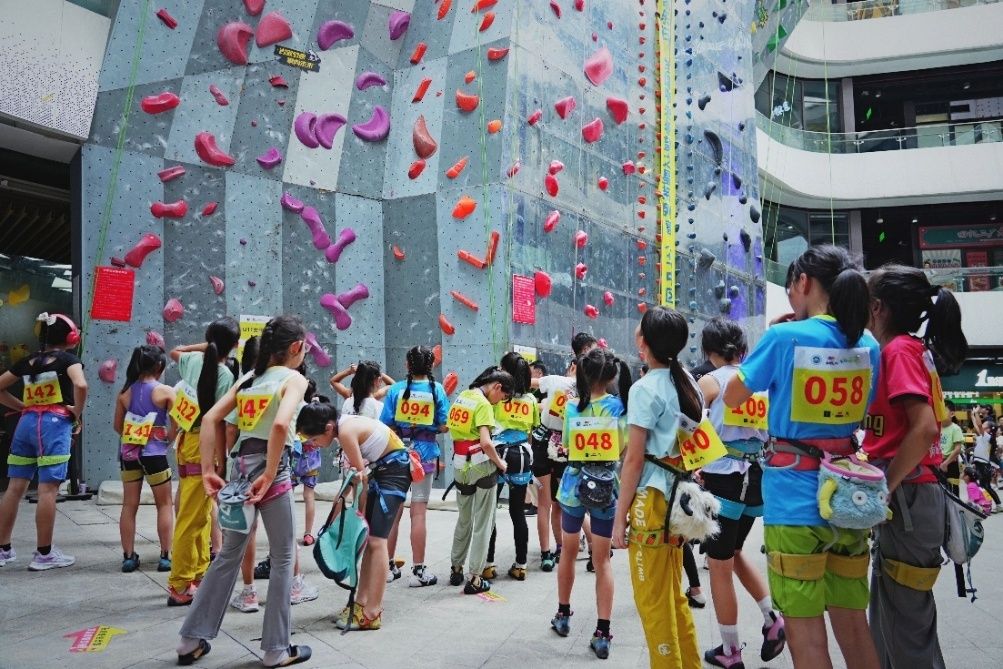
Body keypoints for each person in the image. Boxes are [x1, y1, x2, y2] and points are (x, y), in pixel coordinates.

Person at [723, 245, 881, 669]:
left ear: (804, 282)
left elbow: (733, 396)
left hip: (794, 500)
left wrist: (772, 346)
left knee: (806, 634)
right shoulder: (868, 344)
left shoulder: (783, 338)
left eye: (792, 287)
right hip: (849, 498)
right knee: (854, 624)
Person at [176, 315, 312, 667]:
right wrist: (269, 474)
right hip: (272, 473)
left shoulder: (249, 378)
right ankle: (276, 650)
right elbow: (281, 425)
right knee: (283, 557)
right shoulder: (294, 379)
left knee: (227, 556)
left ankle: (190, 640)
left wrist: (209, 470)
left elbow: (210, 418)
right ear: (296, 347)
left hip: (239, 473)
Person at [864, 264, 968, 669]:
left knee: (905, 628)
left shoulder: (898, 351)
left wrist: (884, 486)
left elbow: (924, 428)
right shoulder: (910, 349)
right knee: (894, 619)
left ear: (877, 307)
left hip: (907, 498)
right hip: (911, 496)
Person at [612, 306, 704, 668]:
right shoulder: (688, 382)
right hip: (679, 497)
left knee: (653, 602)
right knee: (672, 596)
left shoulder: (644, 388)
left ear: (644, 344)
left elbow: (634, 460)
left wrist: (619, 518)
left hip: (651, 501)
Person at [696, 318, 786, 668]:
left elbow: (688, 422)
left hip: (724, 482)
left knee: (719, 566)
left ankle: (730, 650)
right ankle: (772, 619)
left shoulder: (711, 380)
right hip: (757, 479)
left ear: (709, 350)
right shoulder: (759, 383)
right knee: (733, 553)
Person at [550, 348, 631, 660]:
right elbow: (624, 449)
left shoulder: (572, 407)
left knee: (568, 553)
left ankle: (563, 615)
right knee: (603, 561)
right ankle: (602, 632)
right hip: (607, 488)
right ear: (611, 376)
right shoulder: (620, 408)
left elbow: (567, 444)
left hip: (573, 486)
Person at [305, 407, 413, 632]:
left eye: (314, 439)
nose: (314, 444)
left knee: (376, 541)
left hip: (392, 473)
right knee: (369, 540)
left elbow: (359, 480)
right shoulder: (344, 427)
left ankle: (373, 612)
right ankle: (360, 602)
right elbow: (354, 480)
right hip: (385, 471)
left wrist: (357, 515)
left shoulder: (345, 432)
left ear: (328, 428)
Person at [0, 313, 87, 570]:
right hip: (53, 425)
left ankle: (3, 550)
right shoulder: (70, 360)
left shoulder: (28, 360)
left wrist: (22, 407)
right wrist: (76, 411)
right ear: (71, 337)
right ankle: (44, 554)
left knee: (14, 488)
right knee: (47, 490)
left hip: (26, 424)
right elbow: (81, 385)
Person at [167, 317, 240, 605]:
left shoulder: (193, 361)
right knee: (191, 517)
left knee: (199, 513)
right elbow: (221, 424)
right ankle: (179, 583)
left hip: (187, 441)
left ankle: (196, 573)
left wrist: (207, 344)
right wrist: (221, 460)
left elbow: (176, 351)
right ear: (234, 346)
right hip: (205, 445)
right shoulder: (226, 376)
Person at [380, 345, 449, 587]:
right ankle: (418, 571)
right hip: (425, 455)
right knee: (418, 512)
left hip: (397, 454)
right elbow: (444, 426)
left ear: (407, 365)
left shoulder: (395, 390)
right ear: (431, 366)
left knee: (393, 512)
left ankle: (387, 567)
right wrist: (428, 426)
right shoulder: (437, 389)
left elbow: (385, 424)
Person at [531, 333, 598, 571]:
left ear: (572, 366)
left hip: (542, 442)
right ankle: (594, 547)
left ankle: (548, 553)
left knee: (544, 504)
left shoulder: (556, 381)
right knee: (569, 502)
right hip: (569, 447)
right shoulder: (589, 393)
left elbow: (531, 382)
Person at [447, 367, 514, 594]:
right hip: (482, 467)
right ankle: (475, 577)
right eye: (502, 396)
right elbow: (486, 443)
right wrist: (500, 463)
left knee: (464, 519)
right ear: (497, 387)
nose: (499, 401)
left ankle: (456, 568)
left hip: (460, 466)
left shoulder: (462, 397)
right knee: (484, 522)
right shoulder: (484, 405)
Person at [114, 345, 176, 574]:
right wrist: (165, 439)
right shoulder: (165, 392)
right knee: (164, 504)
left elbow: (117, 427)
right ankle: (165, 556)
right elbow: (176, 425)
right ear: (159, 365)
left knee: (129, 505)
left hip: (129, 455)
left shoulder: (125, 393)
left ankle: (128, 557)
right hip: (155, 454)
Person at [486, 352, 539, 581]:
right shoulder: (531, 400)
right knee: (518, 513)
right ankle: (520, 565)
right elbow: (531, 431)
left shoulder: (497, 398)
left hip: (497, 456)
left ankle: (488, 564)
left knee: (490, 511)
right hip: (522, 456)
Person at [970, 409, 1001, 510]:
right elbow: (976, 425)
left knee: (986, 487)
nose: (982, 424)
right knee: (984, 486)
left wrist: (976, 413)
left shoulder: (988, 437)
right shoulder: (982, 436)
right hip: (980, 464)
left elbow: (978, 425)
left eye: (984, 424)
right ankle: (990, 504)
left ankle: (997, 505)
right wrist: (972, 415)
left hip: (984, 465)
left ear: (988, 429)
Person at [939, 400, 965, 495]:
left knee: (953, 491)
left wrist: (945, 463)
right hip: (938, 462)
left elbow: (957, 449)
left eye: (944, 410)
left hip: (951, 464)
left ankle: (954, 504)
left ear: (952, 414)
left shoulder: (955, 428)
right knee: (941, 489)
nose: (941, 412)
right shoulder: (936, 427)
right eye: (939, 410)